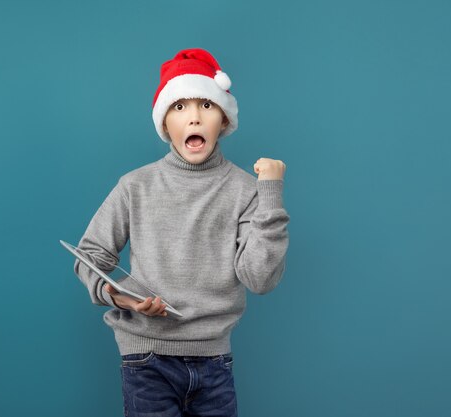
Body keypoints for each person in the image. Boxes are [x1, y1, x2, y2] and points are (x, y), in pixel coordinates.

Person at [72, 48, 290, 417]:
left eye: (206, 105)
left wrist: (270, 194)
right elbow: (89, 256)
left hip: (214, 362)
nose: (193, 117)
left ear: (223, 119)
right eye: (179, 107)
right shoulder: (135, 186)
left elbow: (260, 279)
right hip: (146, 359)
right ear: (164, 124)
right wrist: (120, 298)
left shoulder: (245, 190)